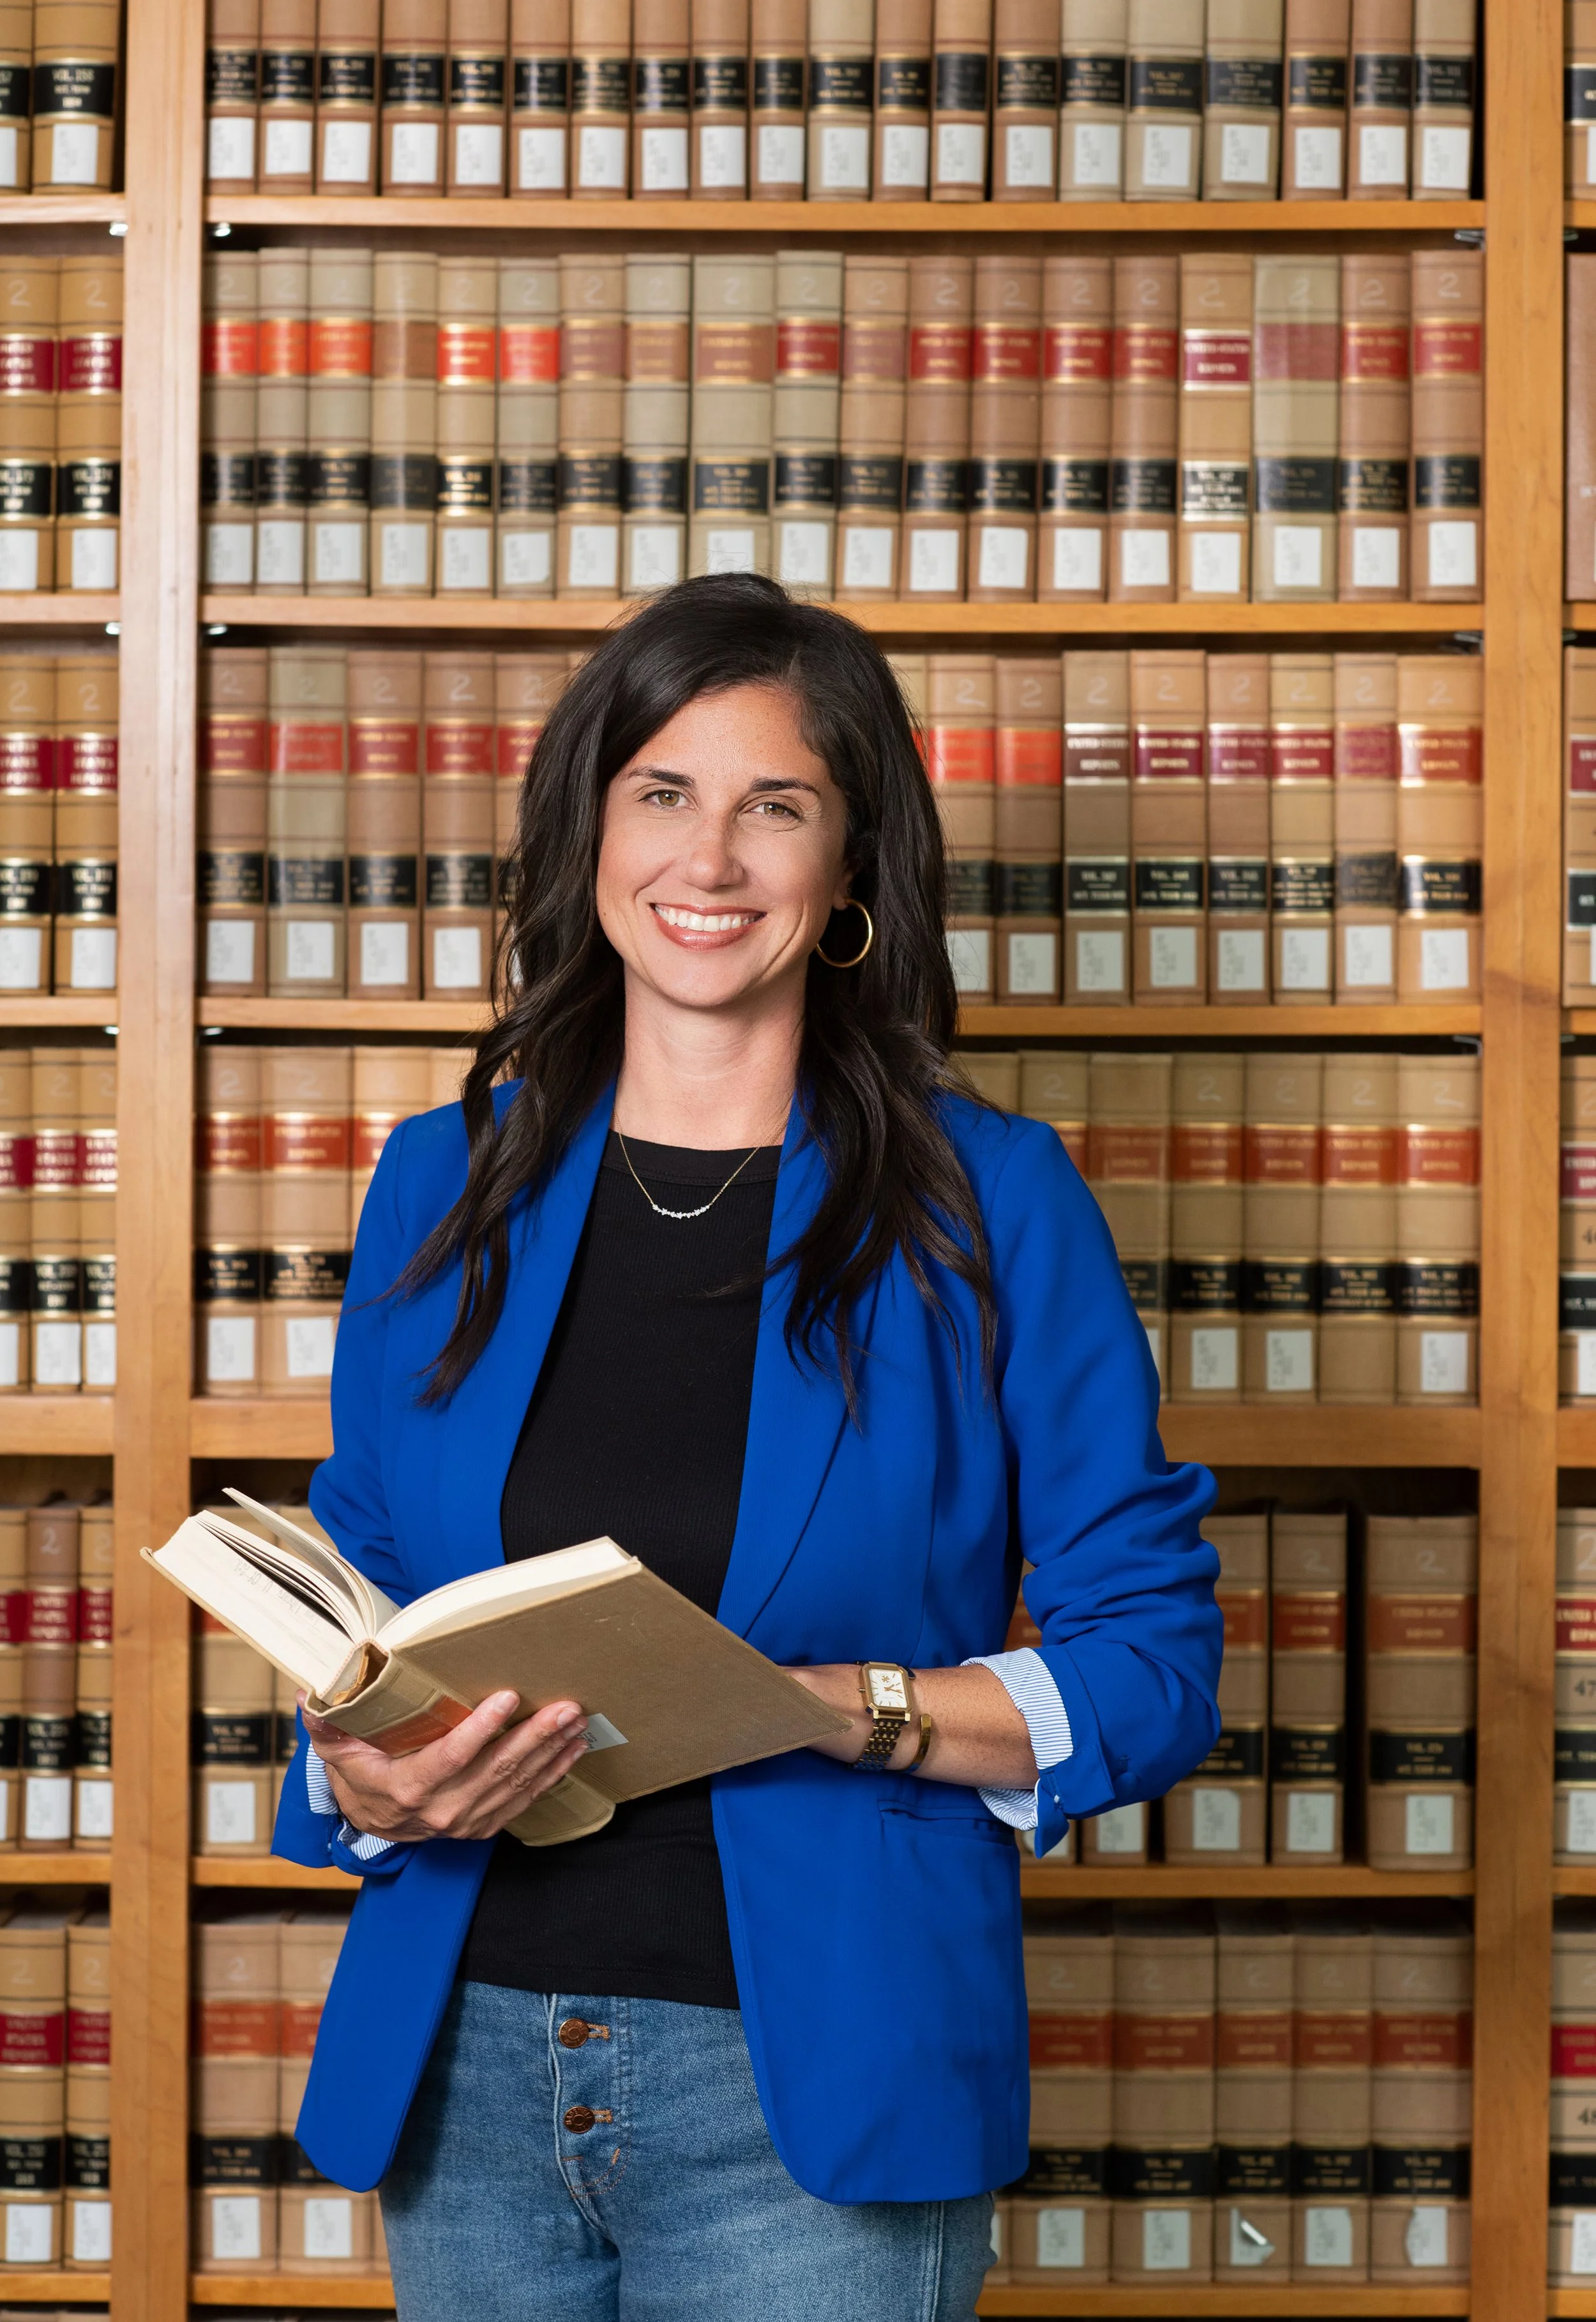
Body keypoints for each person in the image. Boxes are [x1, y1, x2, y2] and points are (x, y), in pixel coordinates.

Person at [273, 573, 1221, 2322]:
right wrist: (352, 1773)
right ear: (586, 834)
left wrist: (842, 1705)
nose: (707, 861)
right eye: (661, 794)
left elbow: (1151, 1664)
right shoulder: (443, 1181)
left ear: (848, 867)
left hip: (816, 2102)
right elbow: (368, 1596)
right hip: (468, 2070)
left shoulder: (990, 1205)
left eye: (773, 805)